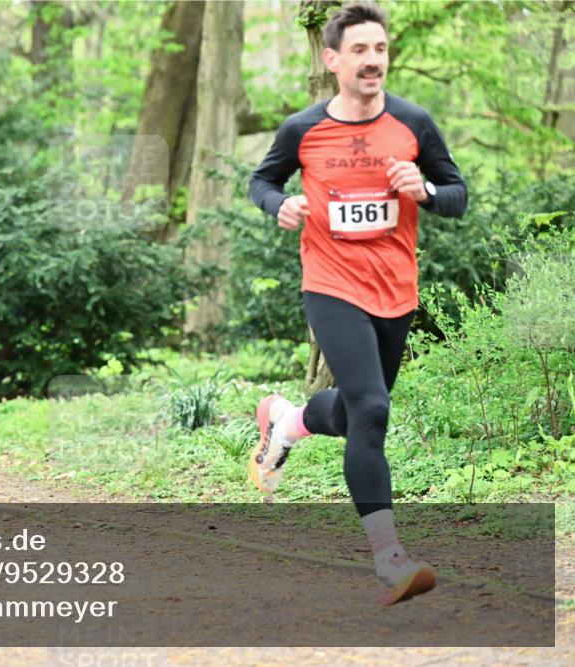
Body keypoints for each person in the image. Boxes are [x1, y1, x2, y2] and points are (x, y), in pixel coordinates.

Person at [248, 3, 467, 607]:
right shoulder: (303, 130)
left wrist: (424, 189)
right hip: (330, 286)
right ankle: (390, 561)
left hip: (395, 290)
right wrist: (280, 205)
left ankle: (286, 421)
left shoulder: (413, 123)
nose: (373, 61)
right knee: (372, 409)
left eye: (380, 49)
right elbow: (261, 181)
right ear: (333, 59)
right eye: (360, 51)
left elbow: (457, 195)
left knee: (355, 414)